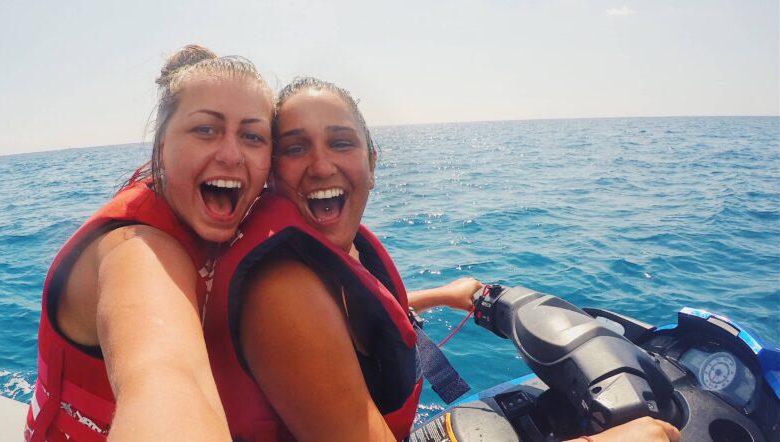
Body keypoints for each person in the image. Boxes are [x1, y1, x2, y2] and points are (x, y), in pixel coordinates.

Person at [206, 77, 682, 442]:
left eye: (341, 142)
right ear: (270, 175)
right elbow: (313, 329)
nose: (322, 164)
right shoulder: (284, 292)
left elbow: (357, 314)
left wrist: (444, 295)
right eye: (295, 148)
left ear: (372, 162)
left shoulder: (331, 254)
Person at [25, 45, 274, 442]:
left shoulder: (213, 218)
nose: (231, 154)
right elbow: (165, 375)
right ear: (161, 146)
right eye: (205, 129)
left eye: (253, 136)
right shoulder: (135, 250)